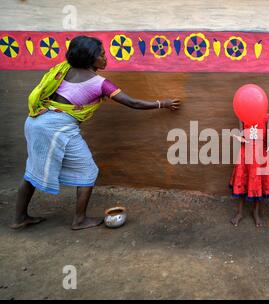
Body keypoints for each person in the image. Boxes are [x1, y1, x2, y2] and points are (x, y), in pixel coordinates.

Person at [11, 35, 180, 230]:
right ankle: (80, 220)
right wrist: (163, 103)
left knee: (32, 170)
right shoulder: (99, 83)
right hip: (57, 127)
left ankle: (19, 218)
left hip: (36, 121)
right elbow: (133, 103)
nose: (105, 58)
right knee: (88, 170)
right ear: (89, 58)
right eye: (101, 55)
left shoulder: (64, 69)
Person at [229, 113, 269, 227]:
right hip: (245, 154)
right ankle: (239, 212)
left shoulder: (266, 117)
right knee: (242, 182)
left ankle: (256, 211)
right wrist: (241, 137)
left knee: (258, 182)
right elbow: (241, 136)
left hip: (260, 155)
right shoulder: (242, 116)